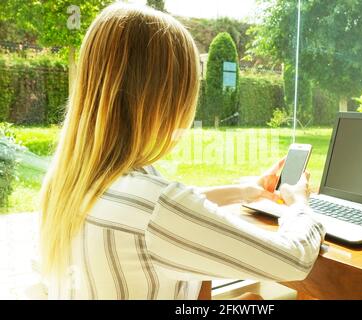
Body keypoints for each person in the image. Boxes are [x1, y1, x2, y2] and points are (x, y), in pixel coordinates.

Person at [39, 2, 325, 300]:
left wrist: (246, 191)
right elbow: (294, 260)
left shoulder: (70, 183)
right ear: (166, 100)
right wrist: (298, 202)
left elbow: (156, 209)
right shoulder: (156, 206)